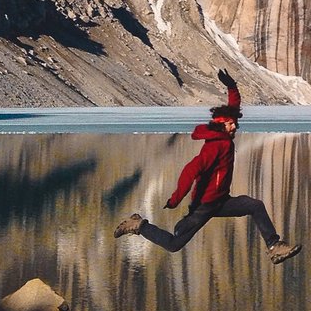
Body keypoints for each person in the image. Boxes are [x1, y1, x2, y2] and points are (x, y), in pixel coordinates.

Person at [114, 68, 300, 265]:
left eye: (234, 123)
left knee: (255, 206)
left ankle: (274, 247)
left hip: (220, 201)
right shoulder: (216, 146)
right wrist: (176, 199)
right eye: (230, 124)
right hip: (205, 205)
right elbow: (191, 169)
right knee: (174, 244)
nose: (234, 126)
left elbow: (234, 107)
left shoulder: (225, 138)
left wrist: (231, 86)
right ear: (221, 126)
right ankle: (138, 225)